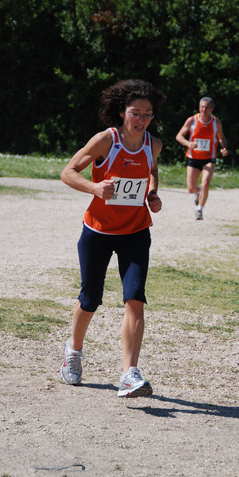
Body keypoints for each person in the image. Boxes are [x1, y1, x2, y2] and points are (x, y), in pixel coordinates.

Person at [60, 79, 166, 397]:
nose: (142, 119)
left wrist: (153, 193)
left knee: (135, 298)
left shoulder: (154, 144)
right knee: (90, 299)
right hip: (98, 232)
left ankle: (129, 374)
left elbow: (152, 171)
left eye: (148, 114)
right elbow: (68, 171)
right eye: (136, 113)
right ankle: (74, 352)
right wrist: (94, 188)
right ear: (122, 112)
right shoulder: (106, 141)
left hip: (135, 233)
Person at [175, 97, 228, 220]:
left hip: (209, 158)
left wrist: (224, 147)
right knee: (191, 188)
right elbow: (179, 136)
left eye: (207, 107)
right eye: (202, 107)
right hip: (193, 158)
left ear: (211, 109)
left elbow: (221, 137)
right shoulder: (192, 120)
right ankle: (198, 192)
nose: (204, 110)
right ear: (199, 107)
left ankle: (199, 210)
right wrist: (188, 144)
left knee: (206, 183)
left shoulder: (216, 122)